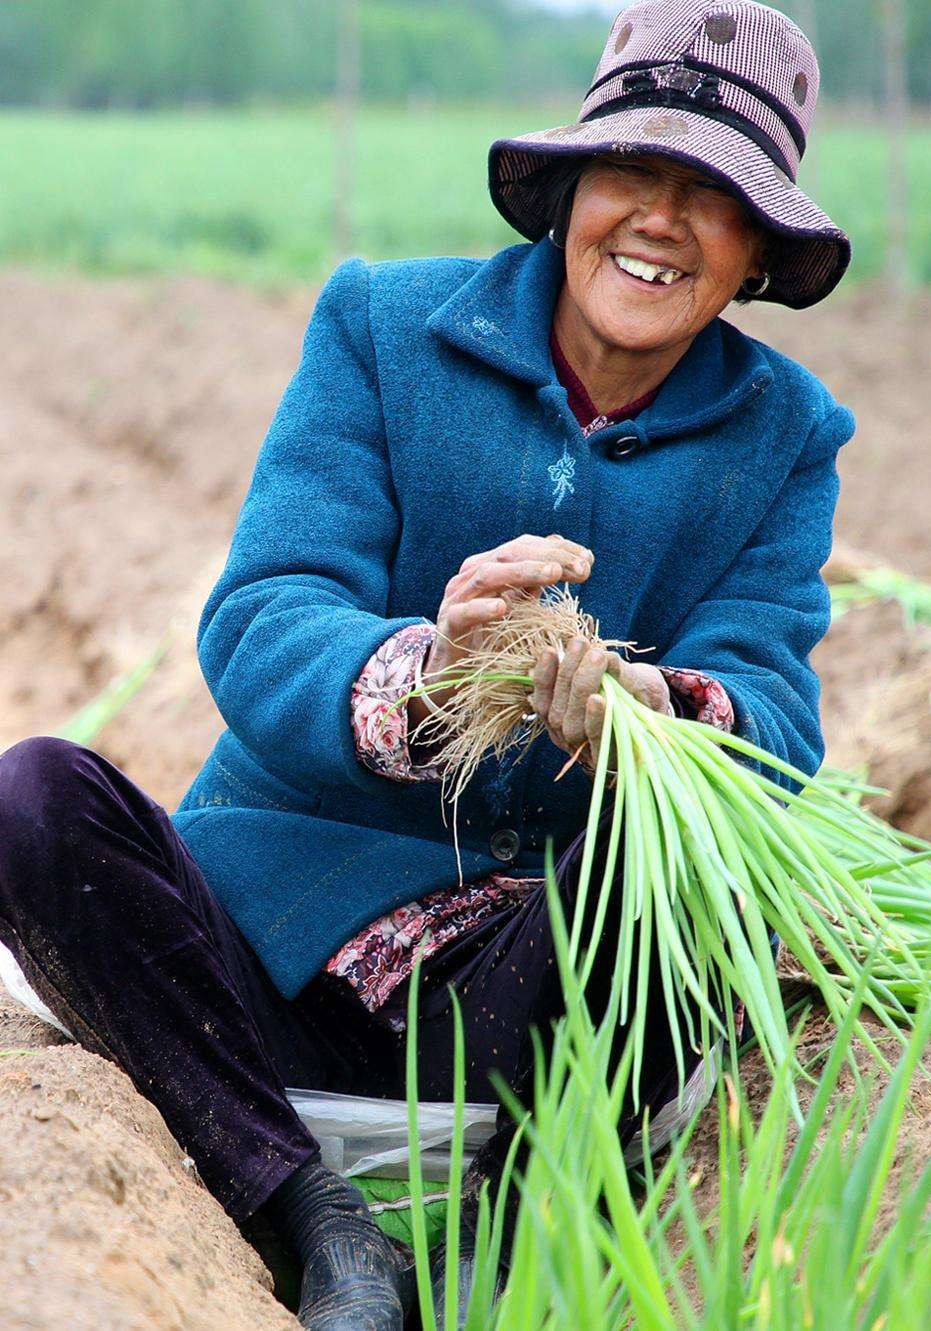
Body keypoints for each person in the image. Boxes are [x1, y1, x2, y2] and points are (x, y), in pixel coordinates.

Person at [0, 3, 852, 1326]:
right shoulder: (386, 331)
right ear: (568, 192)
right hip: (275, 956)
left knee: (689, 893)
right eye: (632, 173)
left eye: (713, 196)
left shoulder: (786, 434)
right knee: (33, 799)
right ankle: (311, 1214)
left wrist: (651, 710)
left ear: (754, 254)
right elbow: (269, 607)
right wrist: (424, 675)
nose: (659, 220)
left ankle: (497, 1249)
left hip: (530, 999)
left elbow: (777, 703)